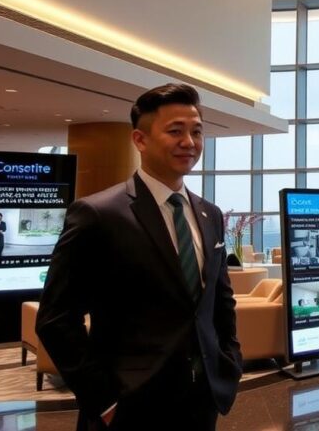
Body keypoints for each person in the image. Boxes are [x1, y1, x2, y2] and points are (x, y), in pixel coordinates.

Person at [36, 83, 242, 431]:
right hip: (129, 408)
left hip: (202, 401)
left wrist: (229, 365)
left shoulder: (211, 214)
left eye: (196, 132)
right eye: (175, 131)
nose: (189, 143)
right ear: (140, 140)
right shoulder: (98, 214)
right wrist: (104, 401)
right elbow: (55, 319)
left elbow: (221, 302)